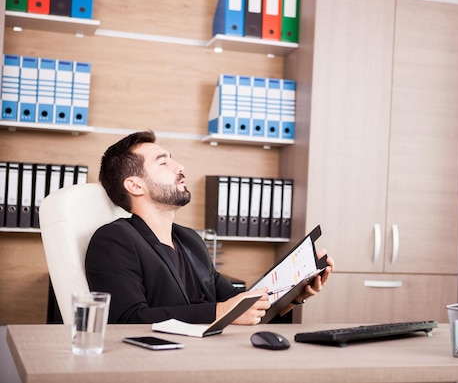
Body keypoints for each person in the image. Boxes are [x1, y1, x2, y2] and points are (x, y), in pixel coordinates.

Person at [85, 130, 334, 324]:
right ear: (135, 186)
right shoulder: (114, 239)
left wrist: (293, 294)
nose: (179, 167)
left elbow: (238, 306)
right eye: (163, 163)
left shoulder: (190, 239)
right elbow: (127, 320)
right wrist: (219, 312)